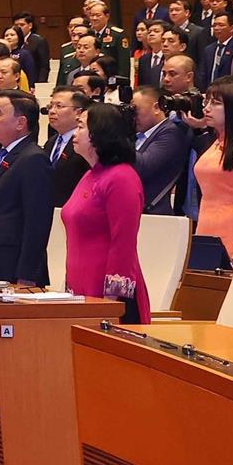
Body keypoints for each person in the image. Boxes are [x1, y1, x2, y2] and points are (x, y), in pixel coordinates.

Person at [62, 104, 150, 323]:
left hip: (108, 292)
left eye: (81, 127)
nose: (74, 133)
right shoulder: (90, 175)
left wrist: (112, 299)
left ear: (99, 133)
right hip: (80, 283)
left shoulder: (121, 178)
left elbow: (124, 242)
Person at [0, 91, 54, 286]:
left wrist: (27, 274)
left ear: (20, 123)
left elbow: (37, 222)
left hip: (11, 267)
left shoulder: (34, 158)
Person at [191, 78, 233, 270]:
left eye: (216, 103)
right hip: (206, 225)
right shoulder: (215, 142)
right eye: (207, 102)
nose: (207, 108)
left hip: (230, 230)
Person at [131, 86, 191, 215]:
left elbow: (143, 167)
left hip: (152, 212)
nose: (132, 115)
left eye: (135, 109)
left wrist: (117, 139)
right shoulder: (137, 135)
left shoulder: (170, 133)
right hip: (135, 208)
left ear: (157, 107)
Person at [45, 86, 91, 206]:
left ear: (78, 112)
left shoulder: (86, 142)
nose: (52, 111)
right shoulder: (51, 142)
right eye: (51, 106)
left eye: (59, 106)